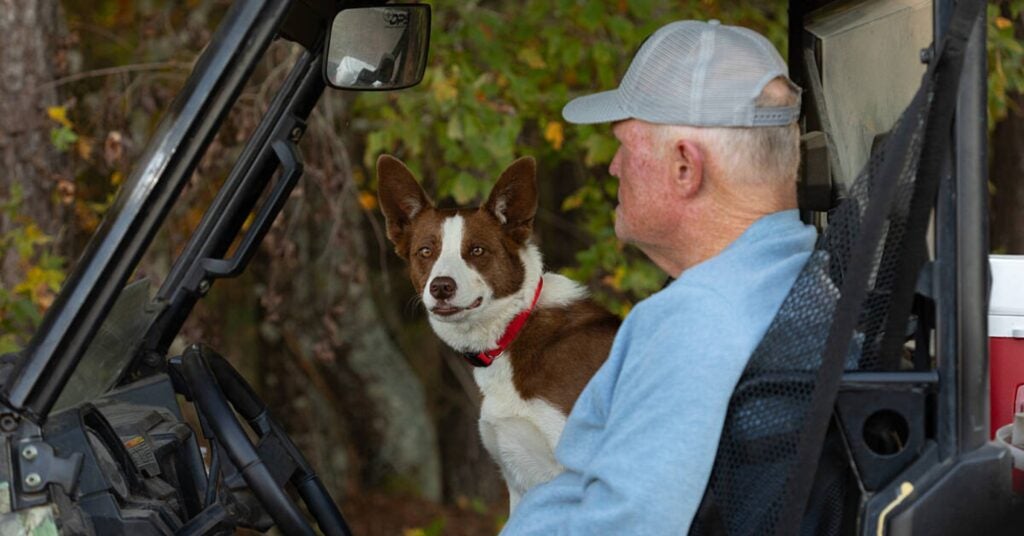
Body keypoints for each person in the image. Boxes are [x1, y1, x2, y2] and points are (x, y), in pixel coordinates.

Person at [501, 19, 818, 534]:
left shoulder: (697, 320)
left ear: (684, 168)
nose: (614, 167)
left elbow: (625, 525)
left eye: (627, 144)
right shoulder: (790, 272)